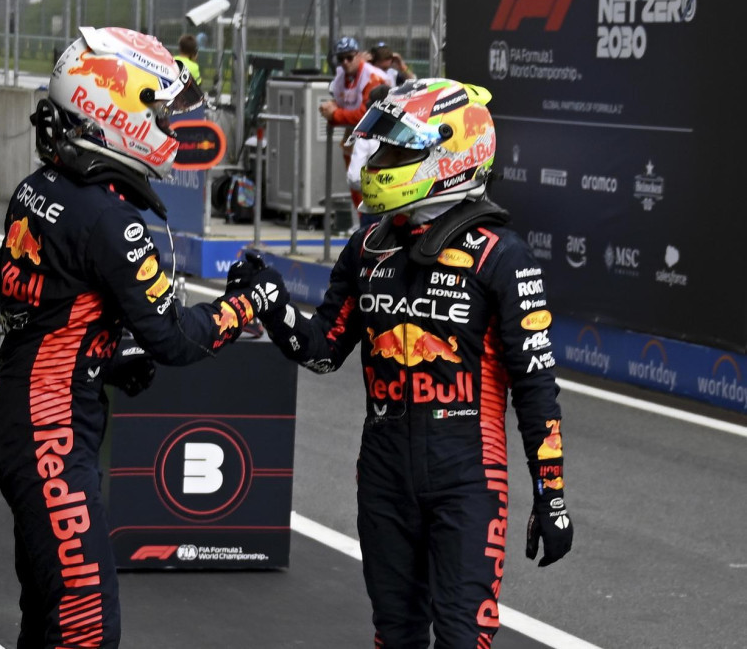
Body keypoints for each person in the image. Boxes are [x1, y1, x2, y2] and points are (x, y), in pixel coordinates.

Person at [229, 78, 574, 647]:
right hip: (384, 471)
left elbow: (537, 389)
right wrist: (271, 303)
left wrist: (552, 495)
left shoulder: (502, 256)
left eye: (398, 150)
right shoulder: (368, 246)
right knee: (396, 635)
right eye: (382, 148)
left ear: (450, 155)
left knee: (463, 639)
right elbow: (322, 352)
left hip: (468, 476)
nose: (380, 161)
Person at [0, 26, 265, 649]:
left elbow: (43, 309)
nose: (170, 126)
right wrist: (250, 303)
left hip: (28, 407)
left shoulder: (40, 187)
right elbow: (176, 340)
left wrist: (108, 355)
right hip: (50, 425)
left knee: (48, 615)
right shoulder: (112, 219)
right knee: (86, 626)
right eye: (158, 111)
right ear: (112, 111)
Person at [319, 36, 388, 216]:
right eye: (341, 59)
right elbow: (341, 100)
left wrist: (334, 115)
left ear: (358, 55)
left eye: (349, 57)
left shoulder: (372, 78)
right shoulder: (342, 75)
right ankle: (362, 222)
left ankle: (373, 223)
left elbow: (364, 113)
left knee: (369, 183)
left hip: (377, 137)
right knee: (354, 184)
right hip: (353, 136)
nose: (345, 62)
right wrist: (332, 105)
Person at [343, 83, 390, 234]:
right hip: (404, 208)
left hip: (374, 207)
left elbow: (354, 177)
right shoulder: (408, 134)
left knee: (369, 251)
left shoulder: (366, 138)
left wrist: (375, 187)